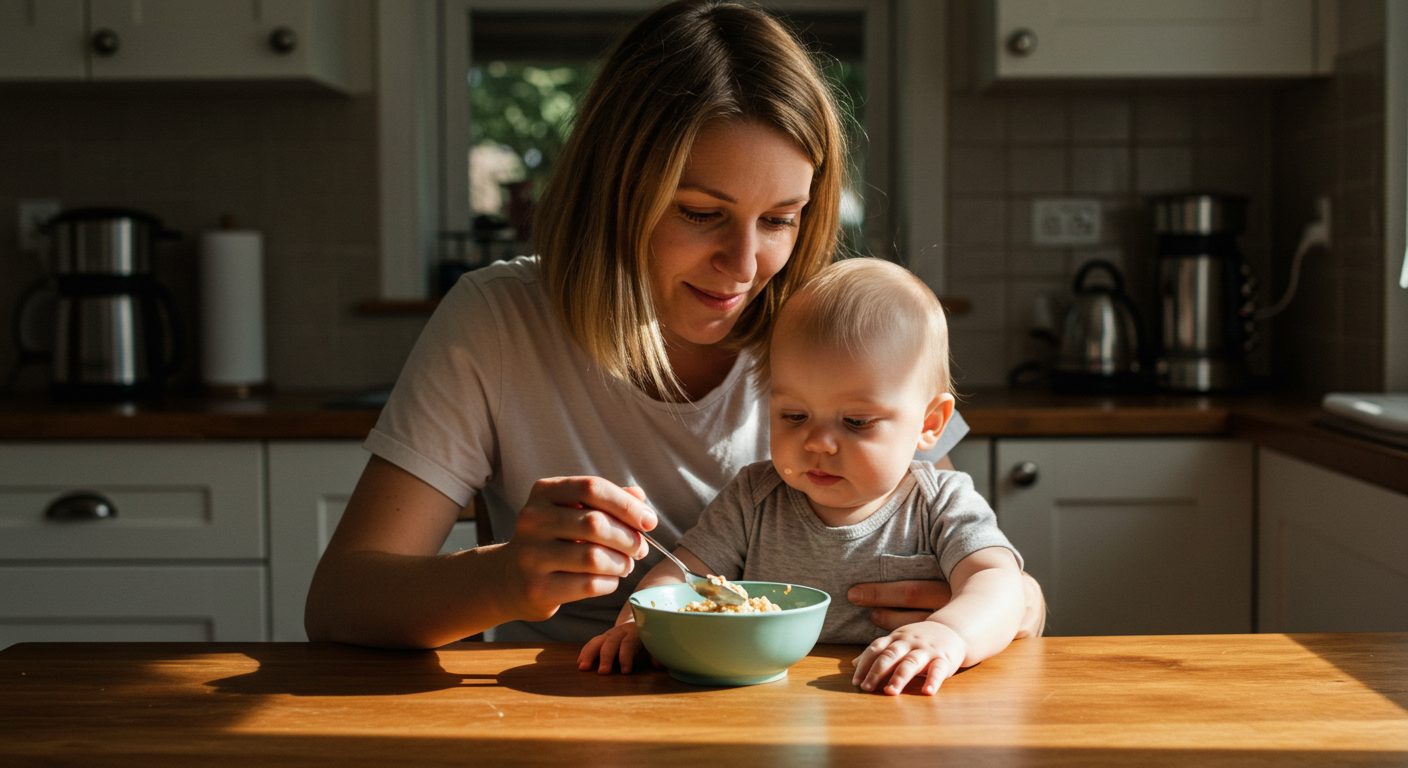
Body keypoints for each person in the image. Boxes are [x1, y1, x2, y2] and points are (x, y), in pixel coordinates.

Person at [304, 0, 1045, 650]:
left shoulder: (832, 326)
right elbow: (340, 602)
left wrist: (992, 612)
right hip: (574, 704)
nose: (746, 264)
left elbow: (986, 559)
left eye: (780, 220)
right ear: (616, 191)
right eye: (700, 214)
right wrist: (505, 579)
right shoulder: (498, 320)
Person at [578, 258, 1026, 695]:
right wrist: (647, 626)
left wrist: (949, 634)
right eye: (794, 415)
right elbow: (681, 575)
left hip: (899, 697)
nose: (818, 443)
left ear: (930, 424)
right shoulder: (754, 497)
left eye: (855, 422)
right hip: (762, 699)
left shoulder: (941, 501)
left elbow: (998, 585)